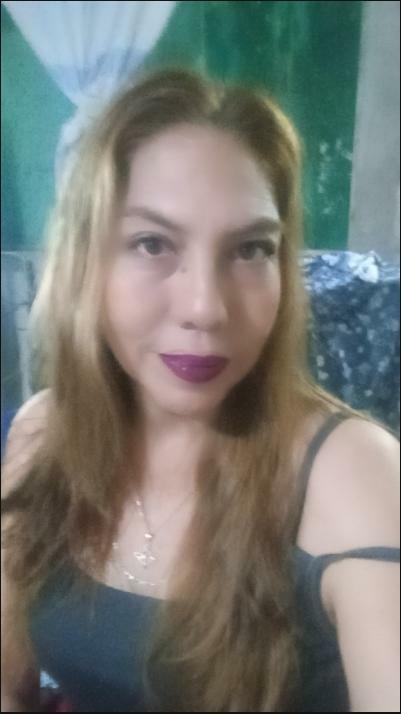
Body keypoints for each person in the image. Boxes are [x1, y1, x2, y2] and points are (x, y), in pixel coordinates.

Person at [1, 67, 399, 713]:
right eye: (151, 243)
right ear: (85, 261)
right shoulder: (41, 435)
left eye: (250, 250)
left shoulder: (353, 474)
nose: (206, 308)